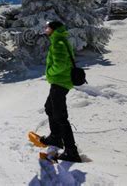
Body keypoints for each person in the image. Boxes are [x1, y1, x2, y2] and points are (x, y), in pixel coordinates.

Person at [40, 20, 82, 162]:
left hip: (59, 82)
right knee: (49, 108)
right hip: (60, 82)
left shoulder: (58, 43)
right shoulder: (60, 41)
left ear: (54, 29)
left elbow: (60, 64)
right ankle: (56, 138)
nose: (46, 30)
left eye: (47, 28)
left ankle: (71, 151)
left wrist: (50, 73)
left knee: (60, 116)